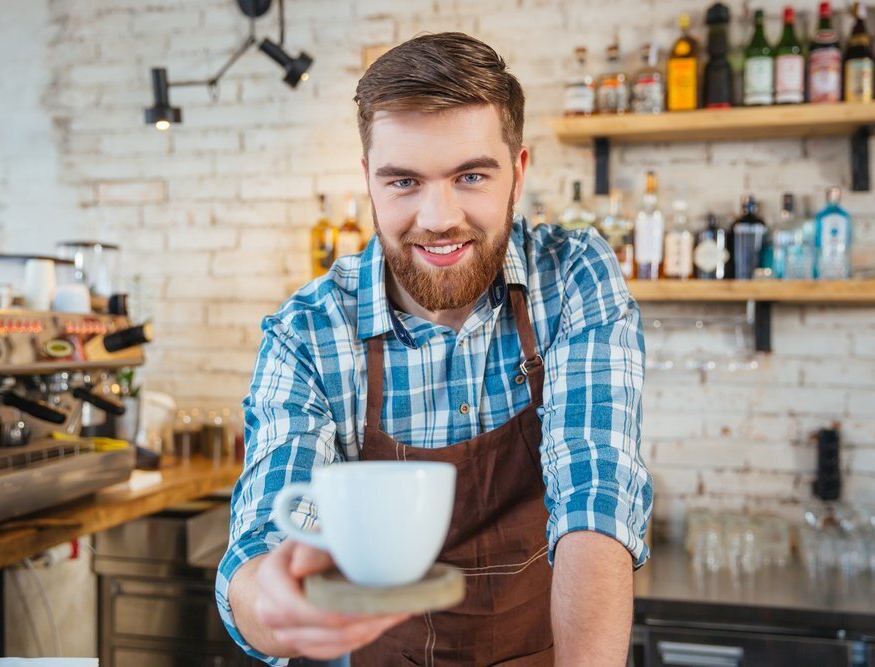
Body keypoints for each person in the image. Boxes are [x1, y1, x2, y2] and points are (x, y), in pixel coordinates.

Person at [216, 32, 653, 667]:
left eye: (470, 175)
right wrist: (275, 601)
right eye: (404, 182)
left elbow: (596, 489)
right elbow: (265, 540)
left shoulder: (575, 276)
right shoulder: (307, 333)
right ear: (368, 179)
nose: (437, 216)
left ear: (518, 173)